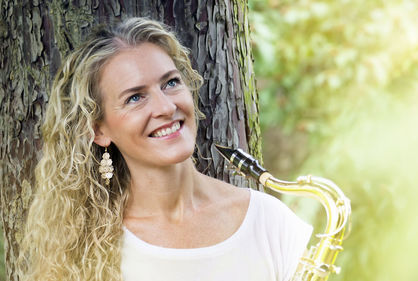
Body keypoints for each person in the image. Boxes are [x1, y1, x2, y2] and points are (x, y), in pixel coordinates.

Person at [19, 17, 312, 281]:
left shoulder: (271, 224)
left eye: (170, 82)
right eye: (135, 98)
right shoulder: (78, 252)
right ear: (98, 130)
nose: (166, 107)